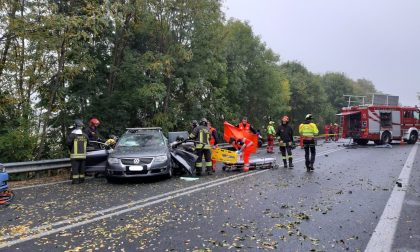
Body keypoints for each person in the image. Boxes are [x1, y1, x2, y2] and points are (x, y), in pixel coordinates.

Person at [67, 119, 89, 184]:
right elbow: (88, 143)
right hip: (83, 156)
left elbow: (68, 143)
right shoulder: (85, 135)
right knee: (82, 168)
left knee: (75, 169)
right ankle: (82, 180)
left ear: (75, 126)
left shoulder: (72, 135)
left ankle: (75, 181)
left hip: (75, 156)